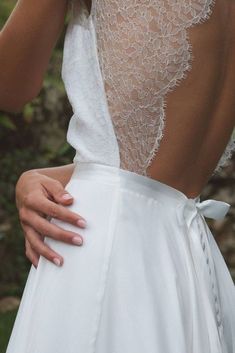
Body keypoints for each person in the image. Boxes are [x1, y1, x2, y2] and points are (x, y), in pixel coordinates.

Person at [1, 0, 235, 352]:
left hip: (101, 252)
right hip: (185, 264)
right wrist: (47, 176)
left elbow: (9, 86)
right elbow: (149, 174)